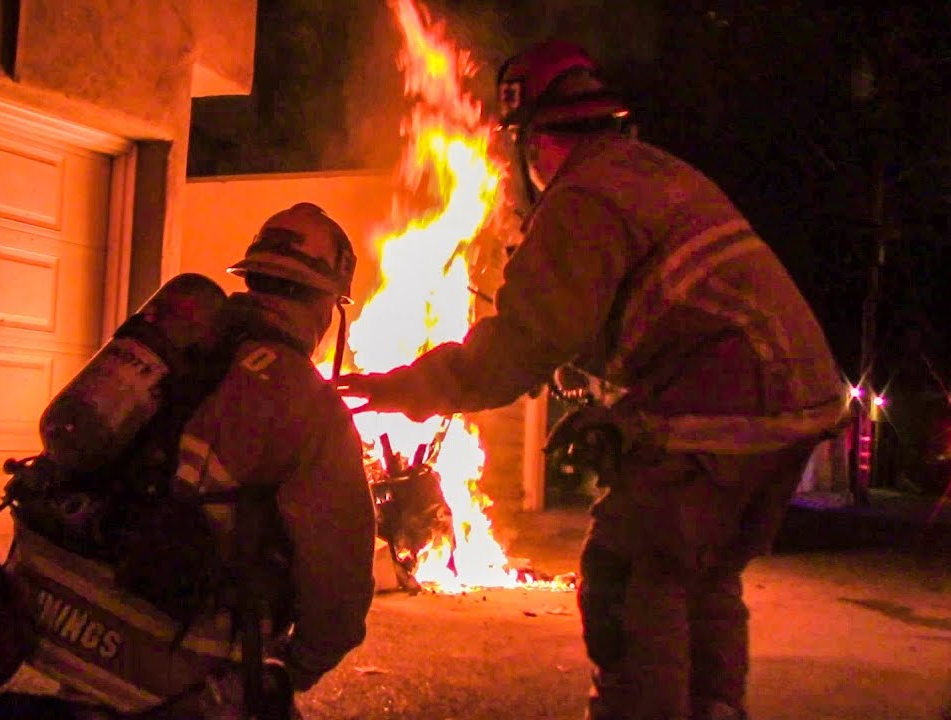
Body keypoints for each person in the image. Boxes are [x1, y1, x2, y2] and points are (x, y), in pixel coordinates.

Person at [338, 41, 847, 720]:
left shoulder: (583, 199)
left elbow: (519, 350)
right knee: (702, 572)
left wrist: (404, 390)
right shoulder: (647, 172)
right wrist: (622, 415)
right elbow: (659, 322)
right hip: (792, 398)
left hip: (726, 406)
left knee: (628, 572)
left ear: (538, 143)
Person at [0, 203, 375, 720]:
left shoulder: (178, 338)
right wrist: (297, 667)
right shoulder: (311, 406)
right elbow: (339, 580)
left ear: (252, 278)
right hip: (163, 654)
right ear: (328, 305)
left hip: (51, 609)